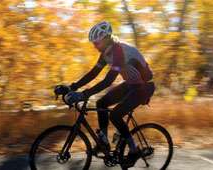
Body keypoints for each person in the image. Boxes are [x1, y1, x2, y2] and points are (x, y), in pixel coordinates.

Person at [63, 21, 155, 168]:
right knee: (101, 103)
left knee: (115, 115)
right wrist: (71, 87)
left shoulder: (119, 51)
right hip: (132, 84)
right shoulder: (106, 53)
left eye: (96, 42)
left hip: (144, 87)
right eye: (93, 43)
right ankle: (104, 142)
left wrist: (83, 94)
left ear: (106, 39)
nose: (94, 46)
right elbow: (93, 73)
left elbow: (108, 81)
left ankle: (133, 150)